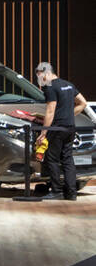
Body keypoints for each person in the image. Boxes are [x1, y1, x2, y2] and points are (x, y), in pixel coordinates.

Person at [36, 62, 87, 200]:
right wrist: (69, 115)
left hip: (57, 128)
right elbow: (83, 103)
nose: (40, 80)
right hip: (70, 127)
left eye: (40, 76)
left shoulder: (50, 87)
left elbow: (50, 110)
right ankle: (71, 193)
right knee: (68, 159)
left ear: (46, 73)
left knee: (52, 159)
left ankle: (57, 191)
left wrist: (43, 132)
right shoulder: (69, 85)